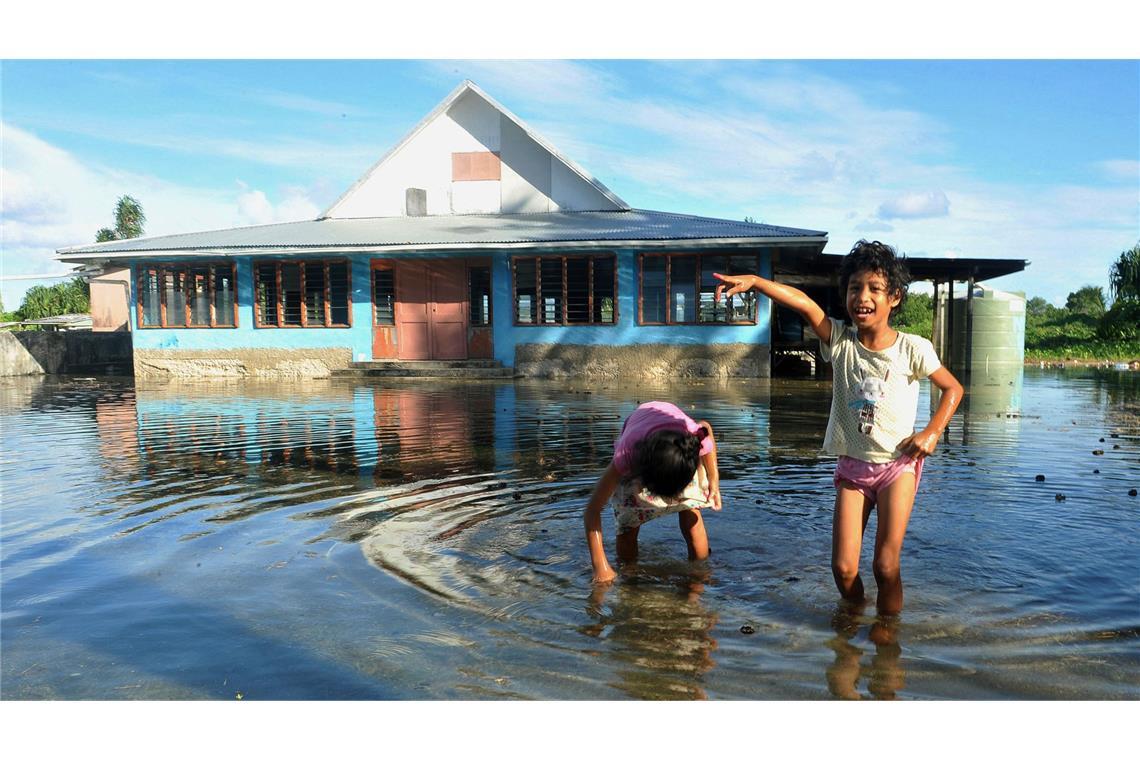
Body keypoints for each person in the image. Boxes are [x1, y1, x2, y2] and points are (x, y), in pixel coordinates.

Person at [714, 239, 963, 615]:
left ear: (894, 297)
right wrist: (757, 282)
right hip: (853, 468)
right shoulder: (841, 341)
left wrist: (931, 433)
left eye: (874, 288)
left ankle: (887, 635)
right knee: (843, 569)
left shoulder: (913, 348)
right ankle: (853, 616)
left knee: (885, 565)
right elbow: (804, 304)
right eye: (854, 287)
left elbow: (952, 389)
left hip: (899, 466)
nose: (862, 296)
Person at [584, 401, 721, 585]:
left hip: (676, 452)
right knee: (627, 525)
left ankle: (700, 571)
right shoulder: (627, 455)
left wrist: (714, 482)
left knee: (691, 511)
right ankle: (630, 575)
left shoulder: (691, 439)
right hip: (643, 455)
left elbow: (705, 428)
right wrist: (600, 567)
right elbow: (592, 510)